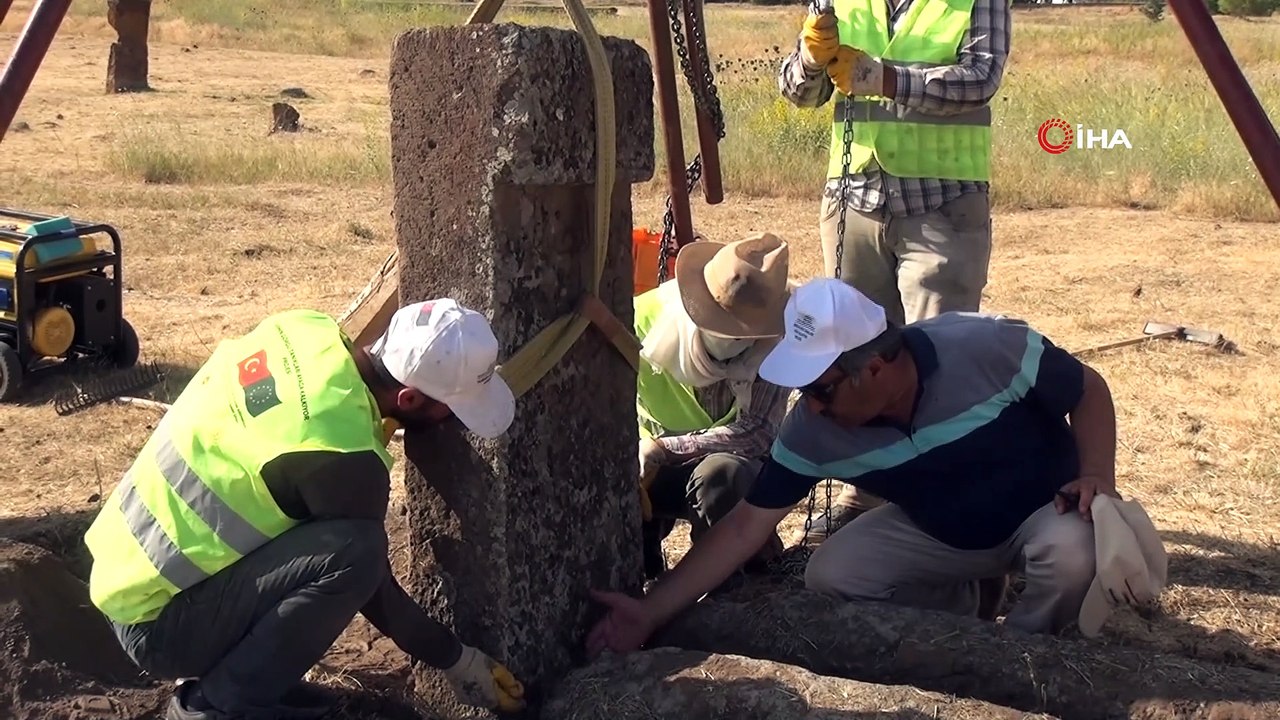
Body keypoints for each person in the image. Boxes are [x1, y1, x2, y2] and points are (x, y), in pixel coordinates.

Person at [587, 278, 1120, 656]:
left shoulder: (985, 345)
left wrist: (1098, 473)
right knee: (832, 574)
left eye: (819, 389)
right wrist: (651, 611)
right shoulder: (815, 430)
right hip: (940, 533)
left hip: (1041, 511)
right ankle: (966, 611)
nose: (811, 406)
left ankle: (1027, 652)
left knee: (1073, 551)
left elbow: (1088, 389)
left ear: (876, 366)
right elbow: (744, 527)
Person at [83, 300, 527, 720]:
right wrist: (456, 658)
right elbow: (372, 588)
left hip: (121, 572)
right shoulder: (346, 456)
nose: (451, 420)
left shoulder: (303, 329)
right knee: (356, 553)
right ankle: (212, 705)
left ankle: (250, 677)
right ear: (408, 399)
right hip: (158, 627)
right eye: (451, 409)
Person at [778, 0, 1012, 539]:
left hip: (942, 205)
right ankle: (868, 499)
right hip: (855, 200)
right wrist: (811, 62)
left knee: (938, 361)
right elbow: (800, 94)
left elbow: (980, 78)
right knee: (859, 359)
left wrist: (888, 79)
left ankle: (940, 513)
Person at [634, 233, 793, 581]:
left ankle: (728, 588)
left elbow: (758, 432)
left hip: (724, 470)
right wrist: (639, 446)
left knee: (722, 474)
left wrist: (664, 448)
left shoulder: (779, 342)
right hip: (645, 465)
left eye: (742, 331)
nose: (730, 338)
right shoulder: (643, 319)